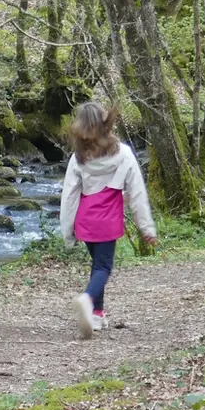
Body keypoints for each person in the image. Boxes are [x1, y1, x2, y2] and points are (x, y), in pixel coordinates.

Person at [58, 101, 157, 339]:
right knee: (103, 267)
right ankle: (88, 299)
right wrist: (146, 227)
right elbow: (137, 193)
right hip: (107, 221)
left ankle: (97, 314)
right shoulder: (123, 154)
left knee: (97, 266)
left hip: (86, 220)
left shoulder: (79, 158)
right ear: (105, 124)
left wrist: (67, 232)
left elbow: (69, 196)